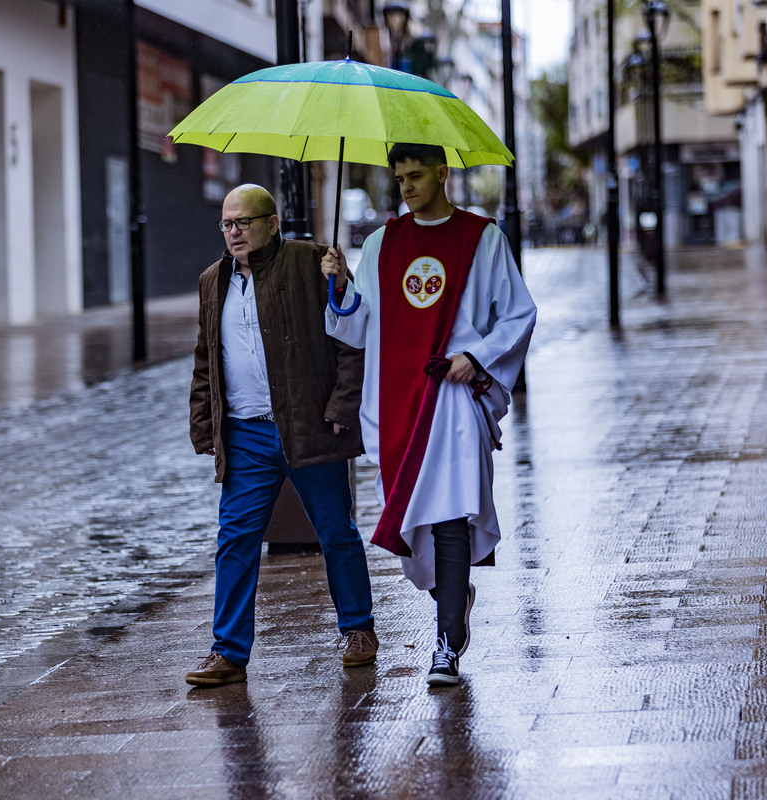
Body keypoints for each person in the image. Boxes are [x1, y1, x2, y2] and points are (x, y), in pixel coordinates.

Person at [321, 144, 537, 686]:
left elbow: (518, 315)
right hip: (395, 400)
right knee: (416, 522)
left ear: (443, 173)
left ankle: (446, 646)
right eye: (399, 180)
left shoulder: (482, 238)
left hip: (454, 395)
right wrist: (342, 287)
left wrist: (477, 356)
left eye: (416, 176)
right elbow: (355, 328)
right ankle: (452, 597)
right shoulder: (380, 244)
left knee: (452, 511)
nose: (407, 188)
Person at [187, 184, 377, 687]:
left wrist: (342, 405)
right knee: (235, 539)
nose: (233, 233)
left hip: (308, 423)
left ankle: (358, 629)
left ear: (272, 222)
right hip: (246, 434)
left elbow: (351, 340)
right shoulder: (213, 281)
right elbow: (207, 359)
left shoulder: (313, 262)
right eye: (226, 225)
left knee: (335, 529)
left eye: (242, 223)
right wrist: (205, 424)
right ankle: (227, 651)